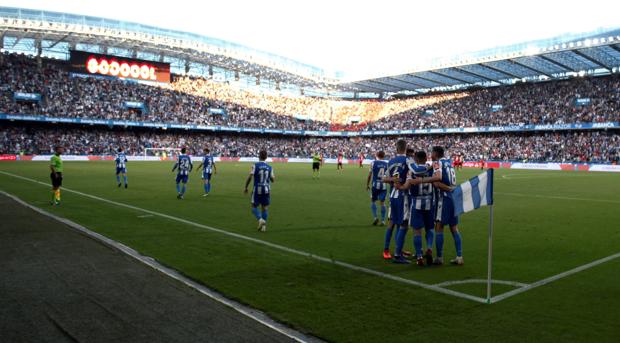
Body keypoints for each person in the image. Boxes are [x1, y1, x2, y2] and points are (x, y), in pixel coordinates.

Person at [407, 146, 463, 265]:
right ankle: (459, 256)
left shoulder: (437, 163)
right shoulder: (449, 162)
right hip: (454, 198)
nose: (430, 154)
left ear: (435, 154)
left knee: (439, 227)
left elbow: (437, 183)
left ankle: (439, 257)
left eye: (432, 152)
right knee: (454, 228)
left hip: (443, 199)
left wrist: (421, 181)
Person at [397, 151, 436, 266]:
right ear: (426, 158)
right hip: (429, 202)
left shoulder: (412, 171)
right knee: (429, 228)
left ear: (416, 159)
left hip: (416, 203)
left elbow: (407, 186)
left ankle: (419, 256)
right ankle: (429, 248)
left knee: (417, 231)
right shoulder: (431, 169)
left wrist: (399, 187)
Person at [384, 139, 410, 263]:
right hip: (403, 195)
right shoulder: (408, 160)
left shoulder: (391, 161)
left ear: (396, 148)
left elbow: (384, 179)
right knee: (404, 224)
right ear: (406, 148)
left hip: (392, 196)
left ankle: (387, 249)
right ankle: (398, 254)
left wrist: (393, 180)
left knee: (392, 223)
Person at [244, 150, 275, 232]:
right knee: (265, 208)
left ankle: (260, 220)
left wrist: (246, 187)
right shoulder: (270, 167)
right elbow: (273, 180)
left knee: (254, 207)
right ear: (266, 157)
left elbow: (250, 177)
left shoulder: (255, 165)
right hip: (267, 189)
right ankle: (264, 227)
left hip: (257, 189)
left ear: (259, 156)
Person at [366, 151, 388, 226]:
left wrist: (367, 184)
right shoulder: (387, 164)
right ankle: (383, 221)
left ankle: (375, 218)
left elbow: (369, 175)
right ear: (384, 156)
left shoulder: (373, 163)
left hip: (375, 185)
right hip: (384, 185)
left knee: (373, 201)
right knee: (382, 203)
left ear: (377, 155)